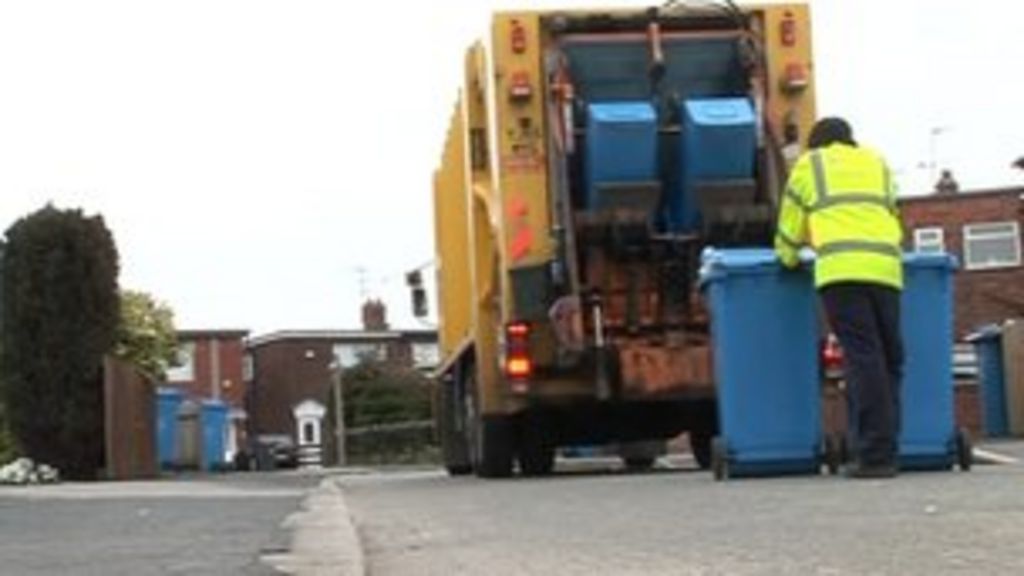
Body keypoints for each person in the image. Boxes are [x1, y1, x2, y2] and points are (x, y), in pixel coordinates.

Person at [774, 117, 904, 479]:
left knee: (864, 359)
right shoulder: (876, 162)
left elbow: (790, 225)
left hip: (842, 274)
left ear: (817, 144)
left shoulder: (810, 165)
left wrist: (786, 257)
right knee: (891, 358)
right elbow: (894, 213)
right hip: (886, 272)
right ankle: (890, 448)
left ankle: (874, 456)